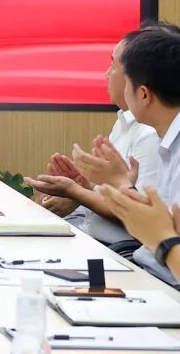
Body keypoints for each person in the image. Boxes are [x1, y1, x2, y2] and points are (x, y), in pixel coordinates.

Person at [25, 36, 160, 244]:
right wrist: (84, 186)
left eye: (113, 66)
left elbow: (141, 215)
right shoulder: (125, 121)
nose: (106, 74)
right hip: (92, 233)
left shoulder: (150, 133)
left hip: (120, 249)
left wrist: (75, 192)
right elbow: (117, 195)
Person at [85, 25, 180, 284]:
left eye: (126, 81)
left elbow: (162, 234)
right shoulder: (168, 141)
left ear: (144, 94)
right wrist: (121, 184)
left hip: (164, 284)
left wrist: (119, 184)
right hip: (149, 272)